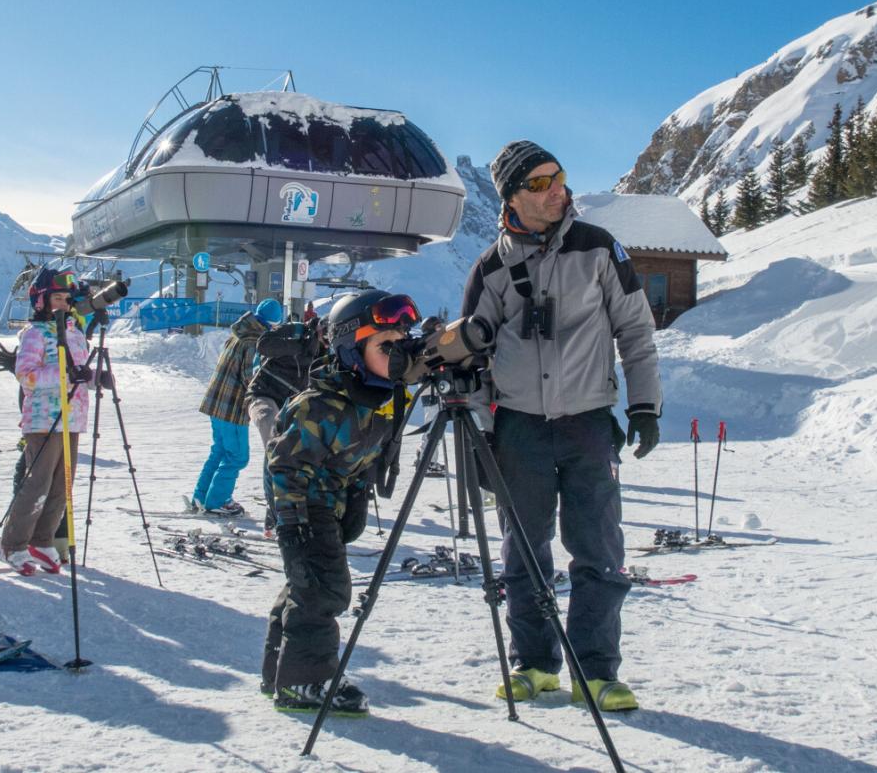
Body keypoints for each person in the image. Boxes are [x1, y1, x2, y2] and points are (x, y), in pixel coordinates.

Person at [461, 140, 661, 711]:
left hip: (588, 424)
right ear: (513, 197)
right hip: (517, 427)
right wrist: (478, 433)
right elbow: (470, 360)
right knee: (523, 551)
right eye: (541, 182)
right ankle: (536, 665)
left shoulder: (599, 248)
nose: (558, 190)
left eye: (560, 177)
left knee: (597, 548)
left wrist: (644, 407)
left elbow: (636, 333)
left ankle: (596, 673)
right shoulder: (490, 269)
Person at [262, 289, 418, 717]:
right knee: (323, 588)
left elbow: (360, 460)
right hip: (302, 506)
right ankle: (304, 682)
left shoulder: (376, 400)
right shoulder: (318, 406)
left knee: (305, 586)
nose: (398, 355)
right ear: (351, 349)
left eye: (402, 345)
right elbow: (285, 466)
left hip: (329, 504)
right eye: (386, 346)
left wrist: (354, 501)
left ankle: (280, 671)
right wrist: (293, 525)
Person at [0, 268, 90, 576]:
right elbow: (27, 376)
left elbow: (78, 372)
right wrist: (64, 375)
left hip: (72, 417)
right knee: (37, 484)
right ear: (41, 301)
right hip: (44, 419)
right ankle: (12, 542)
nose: (62, 304)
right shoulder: (35, 333)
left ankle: (42, 538)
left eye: (66, 299)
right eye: (55, 298)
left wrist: (92, 377)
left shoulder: (75, 333)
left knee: (63, 485)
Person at [188, 298, 282, 517]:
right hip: (232, 408)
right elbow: (251, 379)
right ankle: (217, 501)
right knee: (238, 456)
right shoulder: (254, 343)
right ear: (271, 324)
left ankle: (201, 497)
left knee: (219, 451)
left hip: (216, 404)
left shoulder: (239, 334)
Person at [246, 307, 325, 537]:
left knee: (298, 454)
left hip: (291, 405)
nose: (327, 339)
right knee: (275, 446)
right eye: (324, 333)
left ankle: (298, 507)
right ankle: (275, 515)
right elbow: (264, 344)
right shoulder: (298, 331)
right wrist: (300, 347)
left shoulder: (325, 354)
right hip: (264, 394)